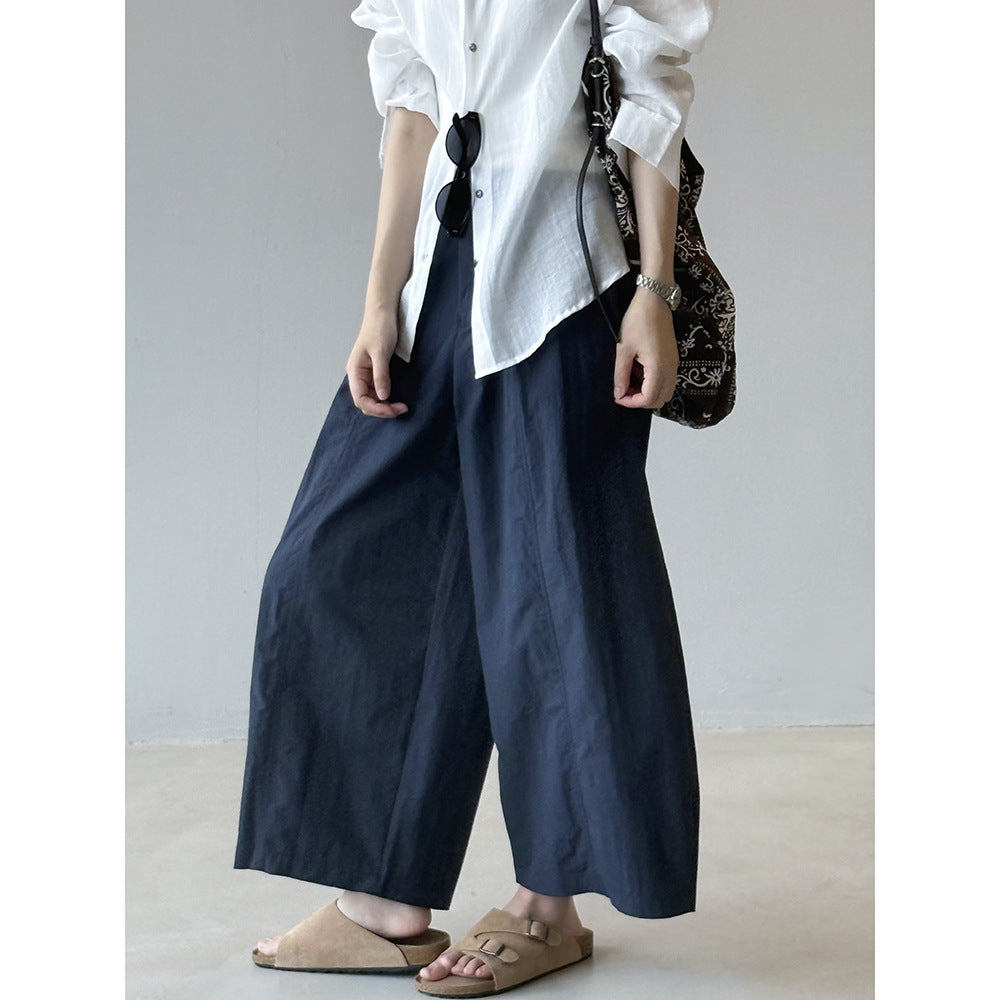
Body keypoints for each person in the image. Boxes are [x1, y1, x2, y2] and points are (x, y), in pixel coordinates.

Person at [233, 1, 719, 995]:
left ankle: (549, 903)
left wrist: (654, 292)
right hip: (442, 275)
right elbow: (412, 104)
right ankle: (384, 899)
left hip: (564, 274)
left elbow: (650, 85)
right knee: (337, 560)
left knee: (555, 586)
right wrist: (381, 296)